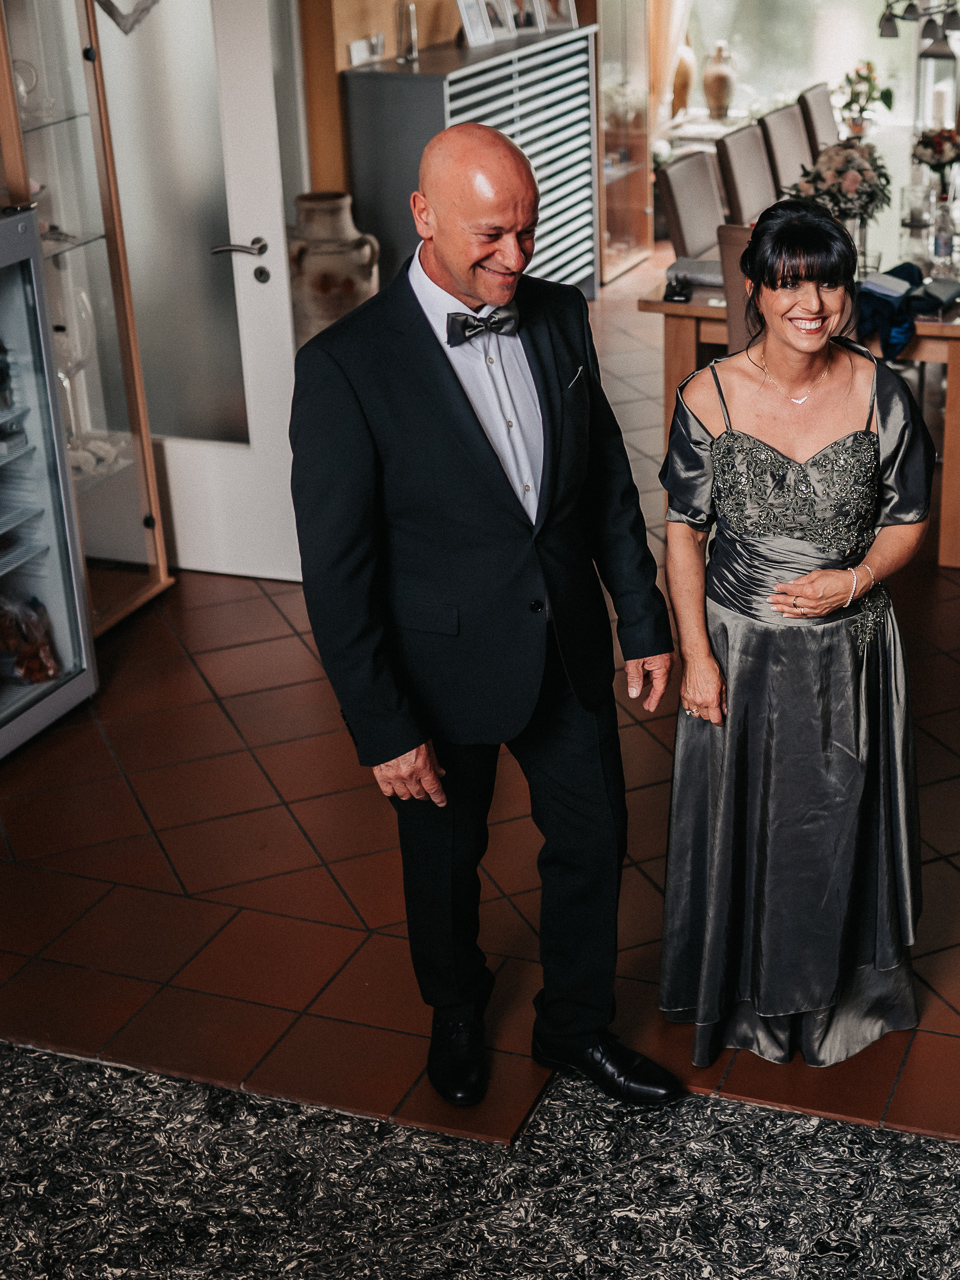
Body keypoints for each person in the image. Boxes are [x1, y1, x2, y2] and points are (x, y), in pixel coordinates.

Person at [289, 123, 684, 1111]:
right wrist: (382, 726)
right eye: (491, 235)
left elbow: (602, 483)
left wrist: (642, 617)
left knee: (594, 841)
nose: (516, 256)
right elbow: (337, 573)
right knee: (444, 861)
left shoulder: (558, 314)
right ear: (423, 216)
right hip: (438, 670)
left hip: (566, 645)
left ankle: (575, 1026)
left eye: (528, 231)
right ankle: (456, 1010)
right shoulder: (345, 367)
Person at [657, 201, 933, 1068]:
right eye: (789, 284)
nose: (811, 304)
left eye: (829, 283)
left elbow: (909, 520)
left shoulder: (881, 391)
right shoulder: (709, 394)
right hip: (741, 648)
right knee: (745, 825)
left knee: (835, 823)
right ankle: (743, 995)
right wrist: (697, 657)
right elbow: (682, 532)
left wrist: (856, 579)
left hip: (851, 651)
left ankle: (838, 997)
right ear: (756, 290)